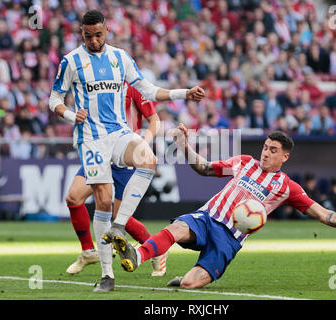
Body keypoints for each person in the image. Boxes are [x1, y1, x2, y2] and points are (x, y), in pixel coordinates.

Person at [107, 128, 336, 289]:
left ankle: (184, 279)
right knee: (177, 228)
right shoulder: (243, 162)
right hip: (208, 217)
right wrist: (185, 146)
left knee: (190, 285)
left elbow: (324, 214)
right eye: (265, 147)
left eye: (273, 150)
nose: (265, 152)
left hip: (229, 239)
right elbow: (204, 169)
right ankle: (138, 255)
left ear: (284, 157)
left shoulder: (286, 187)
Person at [48, 10, 205, 292]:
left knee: (149, 158)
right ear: (81, 33)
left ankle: (119, 227)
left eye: (98, 34)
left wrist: (184, 92)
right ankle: (107, 275)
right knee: (103, 202)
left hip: (118, 133)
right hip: (91, 140)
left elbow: (148, 89)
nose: (94, 40)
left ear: (107, 30)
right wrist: (72, 116)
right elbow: (54, 99)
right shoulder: (71, 61)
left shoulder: (120, 57)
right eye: (88, 35)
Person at [65, 81, 168, 277]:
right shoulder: (95, 86)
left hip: (125, 154)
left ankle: (157, 249)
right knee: (73, 197)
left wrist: (143, 145)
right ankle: (88, 252)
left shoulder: (134, 87)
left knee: (121, 217)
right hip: (99, 151)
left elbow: (154, 120)